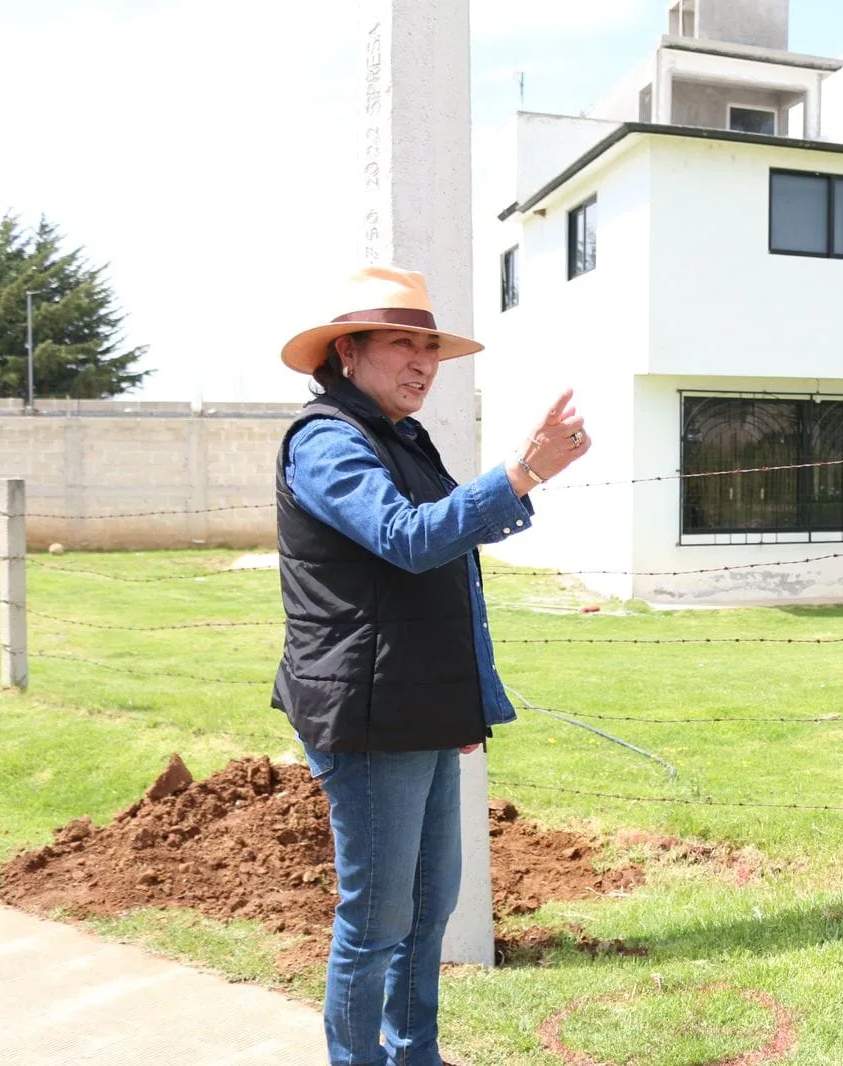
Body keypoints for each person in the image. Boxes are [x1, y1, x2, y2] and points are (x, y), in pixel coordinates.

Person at [272, 265, 591, 1066]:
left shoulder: (398, 437)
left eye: (430, 347)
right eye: (401, 344)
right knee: (376, 919)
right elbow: (408, 538)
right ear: (348, 351)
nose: (422, 362)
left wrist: (466, 705)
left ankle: (415, 1055)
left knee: (427, 907)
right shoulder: (325, 441)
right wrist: (520, 471)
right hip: (370, 715)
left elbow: (450, 562)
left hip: (417, 707)